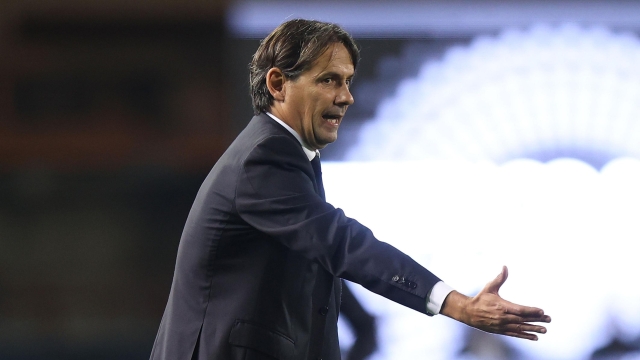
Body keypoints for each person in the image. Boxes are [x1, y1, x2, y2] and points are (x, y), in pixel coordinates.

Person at [149, 19, 551, 360]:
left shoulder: (292, 155)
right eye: (329, 80)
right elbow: (344, 243)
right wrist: (458, 304)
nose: (346, 96)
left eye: (347, 81)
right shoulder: (264, 157)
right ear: (277, 84)